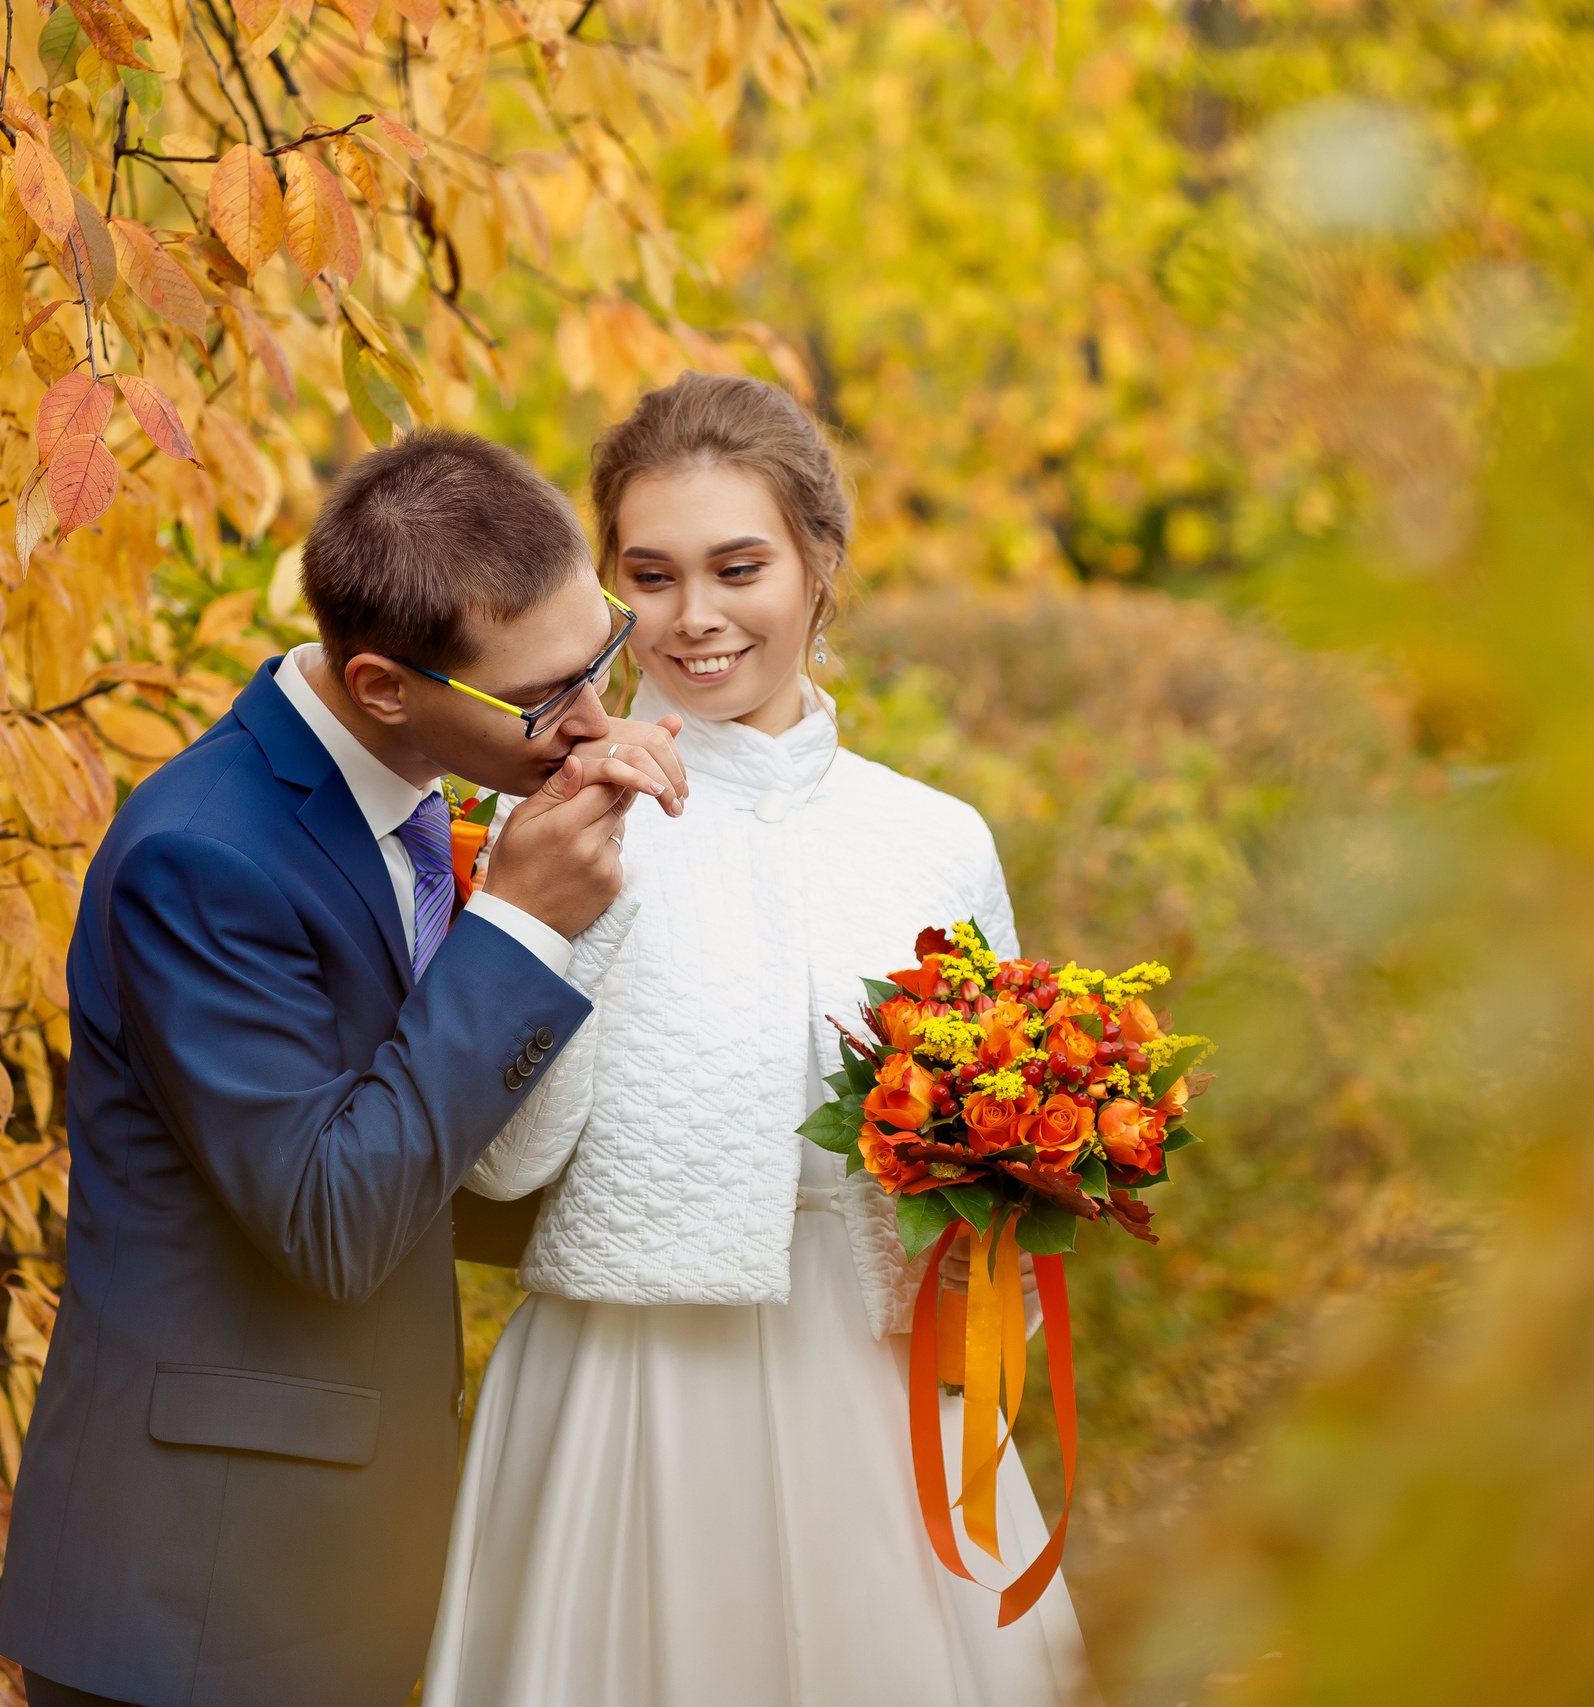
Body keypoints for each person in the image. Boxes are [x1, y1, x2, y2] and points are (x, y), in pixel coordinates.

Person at [422, 375, 1098, 1706]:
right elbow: (501, 1166)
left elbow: (1001, 1158)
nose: (697, 616)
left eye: (740, 565)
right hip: (631, 1391)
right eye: (653, 574)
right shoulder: (554, 821)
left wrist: (1007, 1266)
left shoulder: (935, 837)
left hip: (886, 1387)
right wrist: (582, 889)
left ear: (819, 564)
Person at [0, 431, 689, 1707]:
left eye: (601, 658)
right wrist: (524, 929)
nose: (594, 721)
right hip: (205, 1601)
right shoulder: (203, 857)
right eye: (544, 701)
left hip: (350, 1563)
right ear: (379, 686)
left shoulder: (423, 805)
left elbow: (460, 1179)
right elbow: (330, 1217)